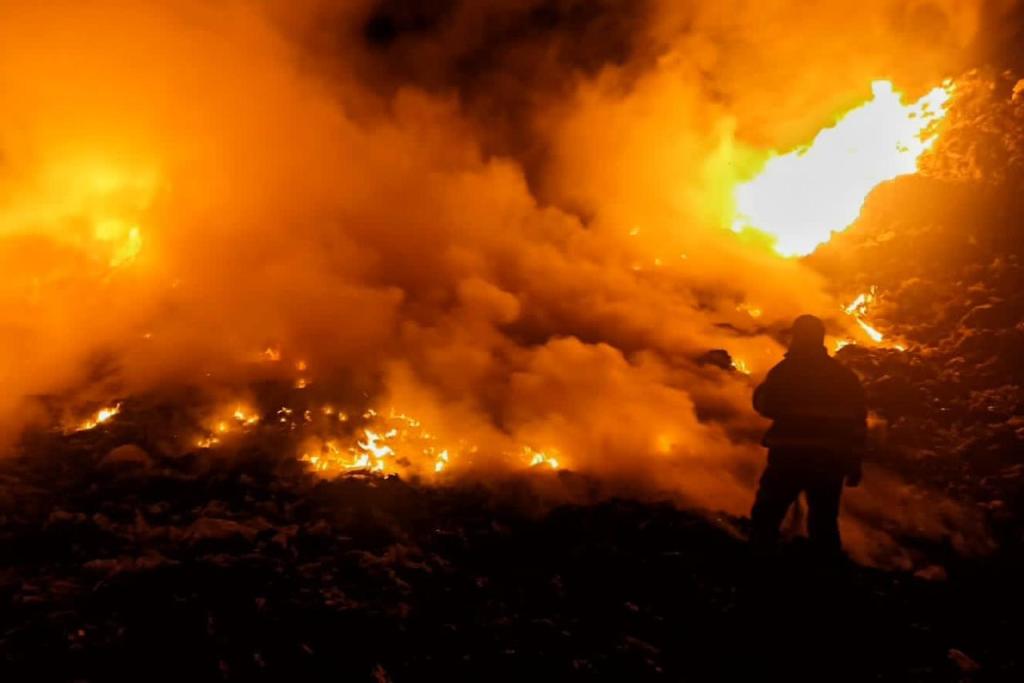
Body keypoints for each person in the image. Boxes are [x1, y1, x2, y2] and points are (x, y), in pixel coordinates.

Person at [750, 314, 867, 555]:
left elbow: (764, 405)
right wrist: (854, 463)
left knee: (767, 517)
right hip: (829, 462)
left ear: (797, 338)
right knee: (824, 522)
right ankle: (826, 571)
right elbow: (857, 422)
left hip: (788, 458)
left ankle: (759, 566)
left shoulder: (785, 373)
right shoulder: (843, 377)